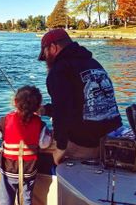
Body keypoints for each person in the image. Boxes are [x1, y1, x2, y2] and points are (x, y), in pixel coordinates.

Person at [38, 28, 122, 165]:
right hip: (111, 140)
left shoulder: (59, 70)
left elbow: (63, 113)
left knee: (37, 144)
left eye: (45, 54)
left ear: (53, 47)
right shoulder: (94, 64)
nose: (46, 59)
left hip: (87, 145)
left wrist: (60, 149)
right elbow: (81, 103)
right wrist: (45, 110)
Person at [0, 85, 52, 205]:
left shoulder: (5, 120)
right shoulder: (40, 125)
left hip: (8, 172)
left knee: (5, 204)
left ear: (15, 102)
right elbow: (45, 144)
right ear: (37, 106)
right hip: (29, 173)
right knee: (27, 203)